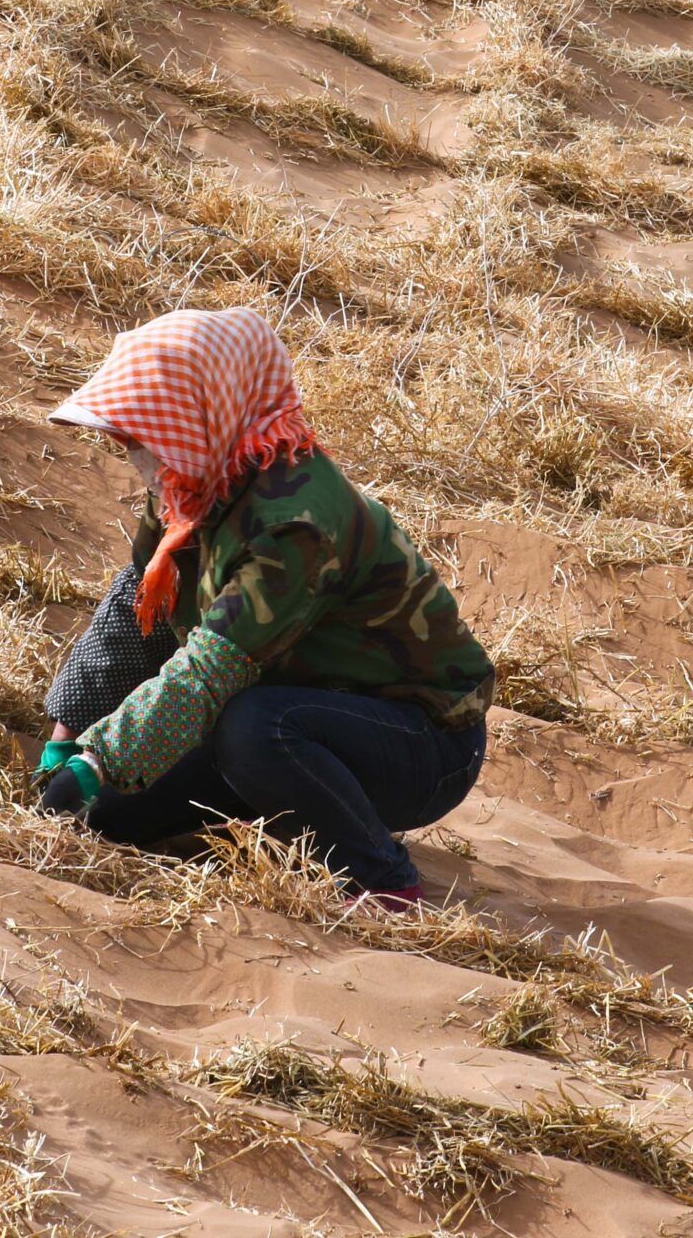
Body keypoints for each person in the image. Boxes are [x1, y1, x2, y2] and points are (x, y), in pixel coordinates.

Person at [32, 307, 494, 910]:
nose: (134, 458)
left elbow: (208, 674)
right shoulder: (192, 482)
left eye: (141, 439)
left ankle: (383, 879)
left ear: (200, 417)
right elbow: (139, 608)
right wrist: (67, 739)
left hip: (417, 741)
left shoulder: (296, 523)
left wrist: (101, 760)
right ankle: (281, 803)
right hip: (289, 705)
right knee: (104, 818)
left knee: (252, 727)